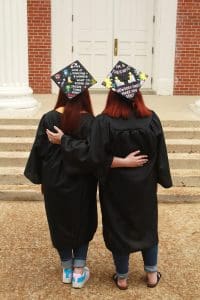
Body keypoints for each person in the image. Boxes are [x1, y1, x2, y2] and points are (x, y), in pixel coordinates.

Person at [46, 61, 172, 290]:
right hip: (144, 187)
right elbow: (160, 153)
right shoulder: (152, 118)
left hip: (116, 186)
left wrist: (65, 141)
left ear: (112, 94)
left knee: (118, 227)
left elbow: (94, 157)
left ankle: (122, 278)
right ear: (138, 93)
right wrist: (162, 177)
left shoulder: (104, 122)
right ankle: (152, 276)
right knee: (147, 226)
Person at [24, 60, 148, 289]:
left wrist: (42, 179)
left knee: (59, 222)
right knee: (82, 222)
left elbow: (39, 152)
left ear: (62, 93)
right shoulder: (91, 122)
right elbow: (95, 155)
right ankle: (79, 271)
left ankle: (67, 268)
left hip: (55, 182)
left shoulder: (49, 118)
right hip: (82, 182)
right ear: (85, 95)